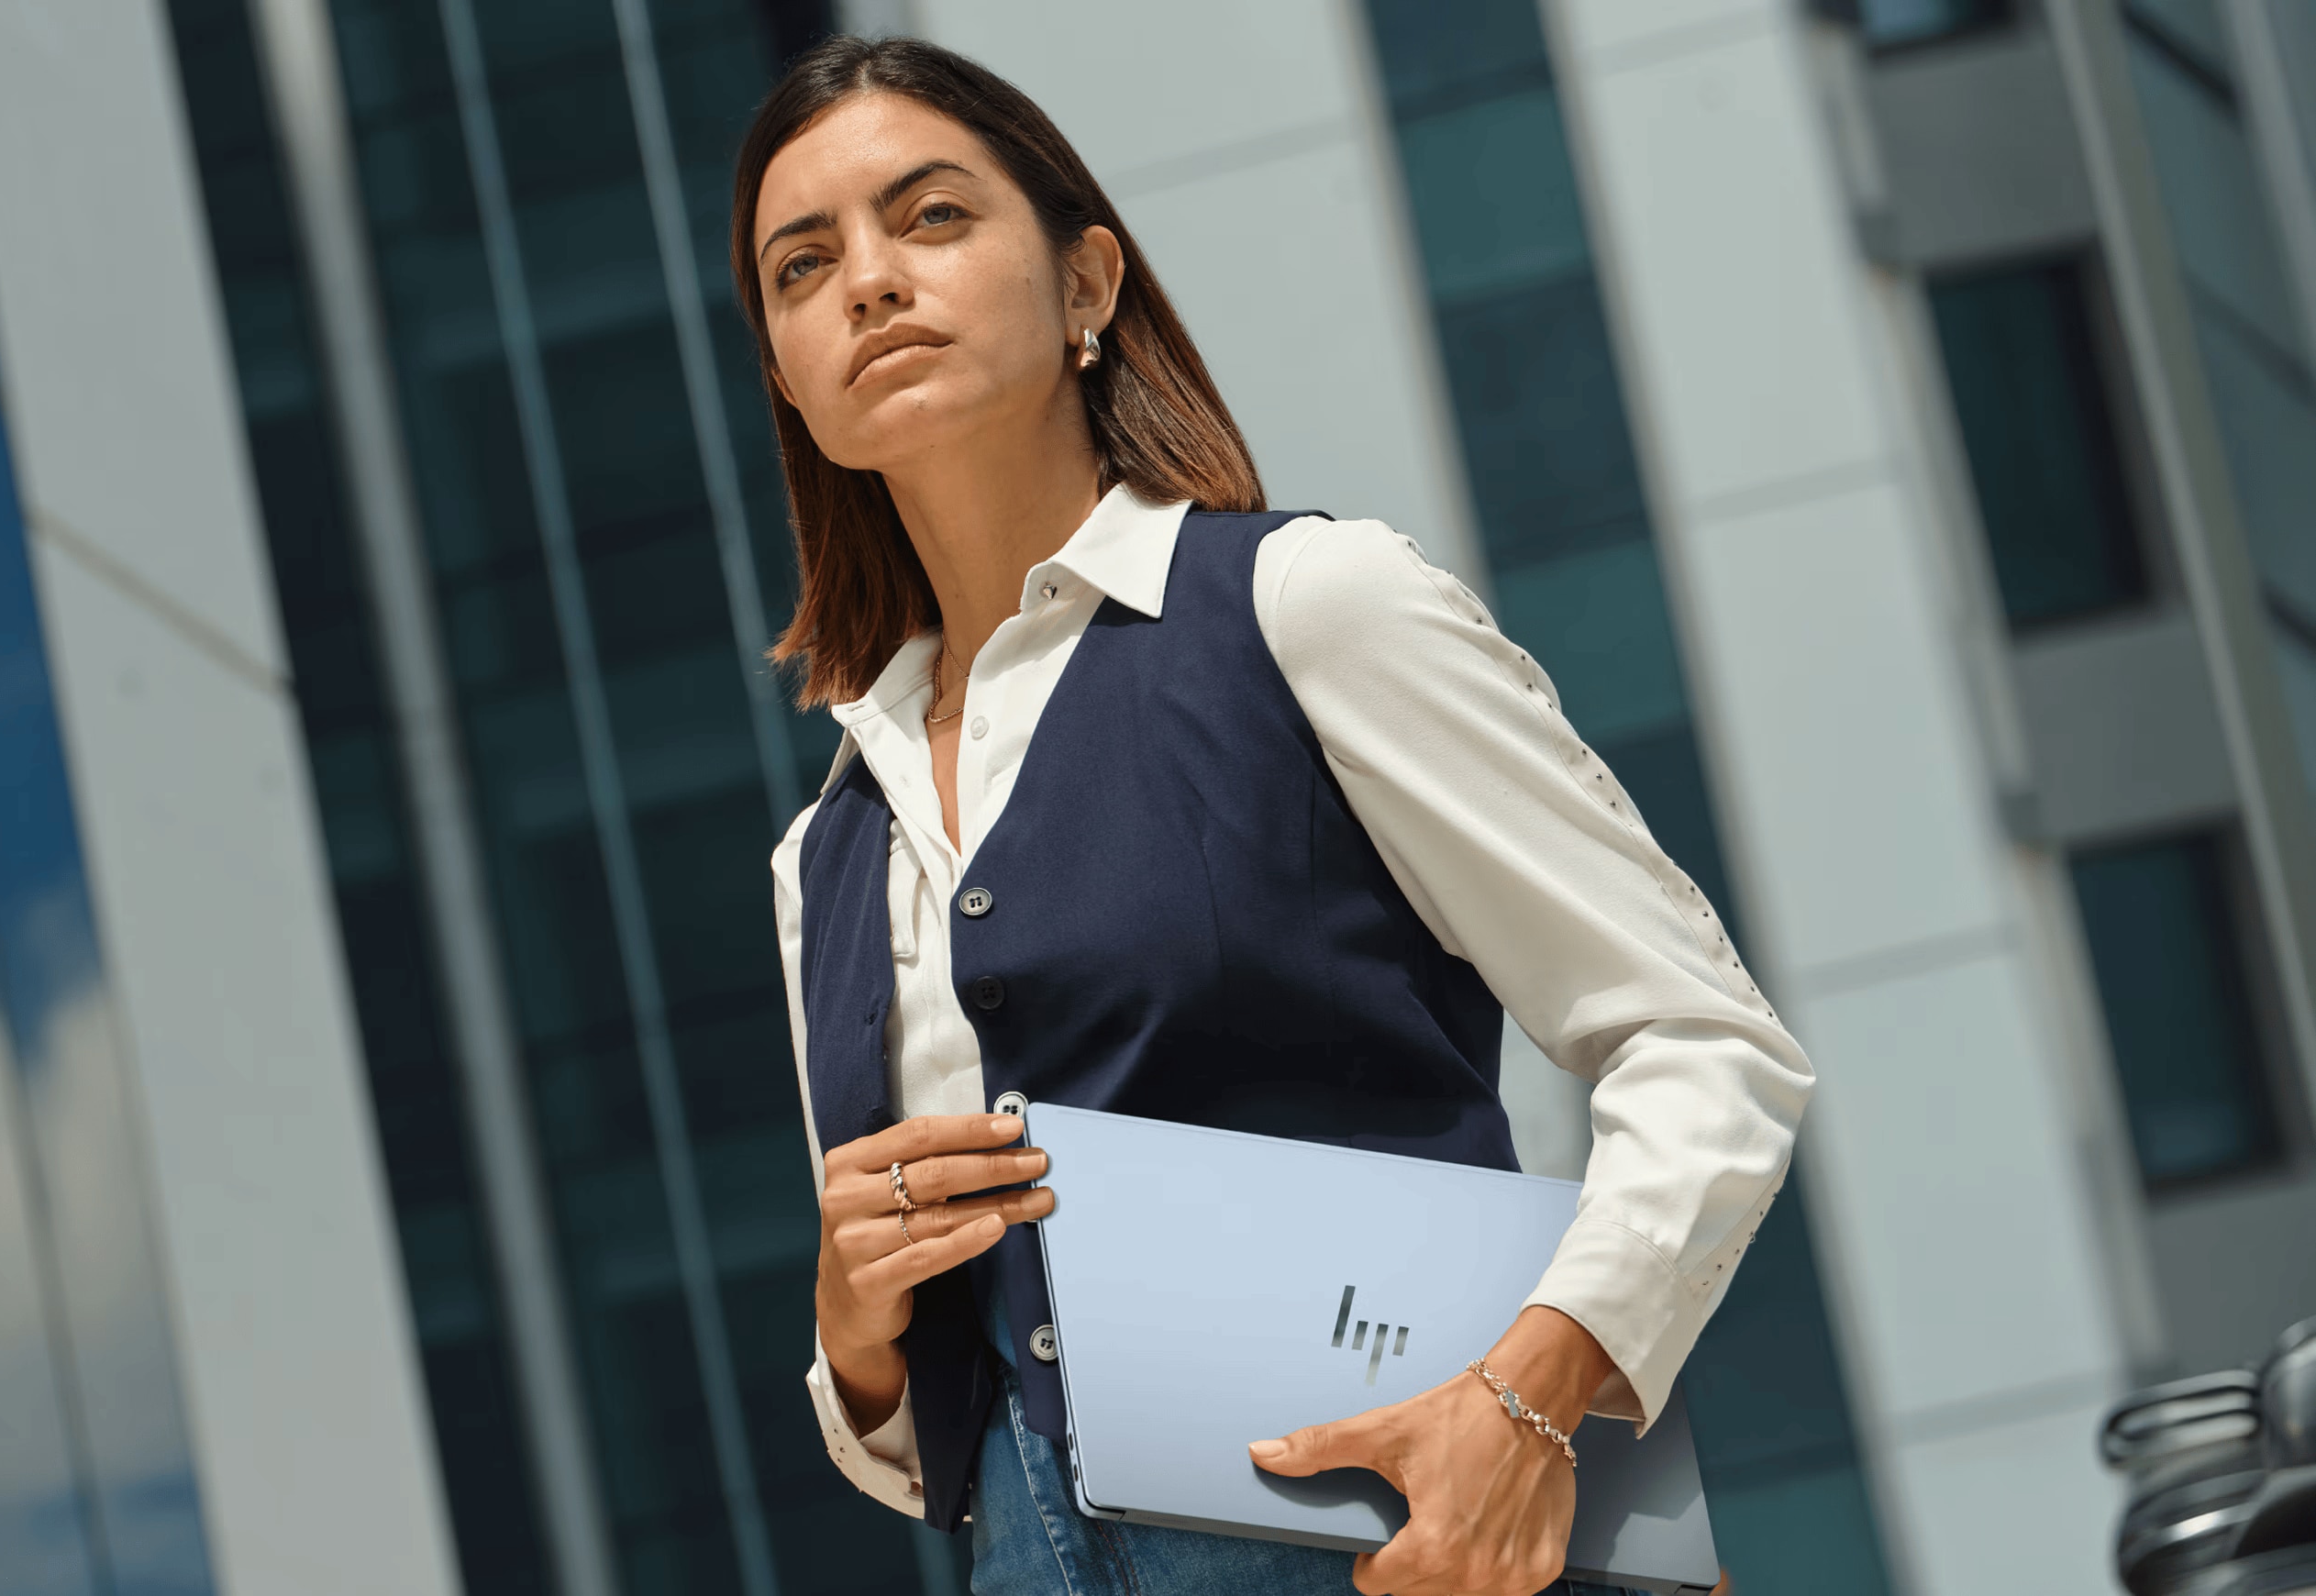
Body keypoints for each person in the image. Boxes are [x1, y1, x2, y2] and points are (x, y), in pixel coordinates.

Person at [739, 34, 1812, 1596]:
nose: (870, 282)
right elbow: (937, 1426)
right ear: (785, 374)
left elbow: (1704, 1044)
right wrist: (856, 1336)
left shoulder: (1307, 609)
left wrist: (1532, 1399)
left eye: (933, 218)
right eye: (802, 263)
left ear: (1087, 284)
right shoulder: (827, 847)